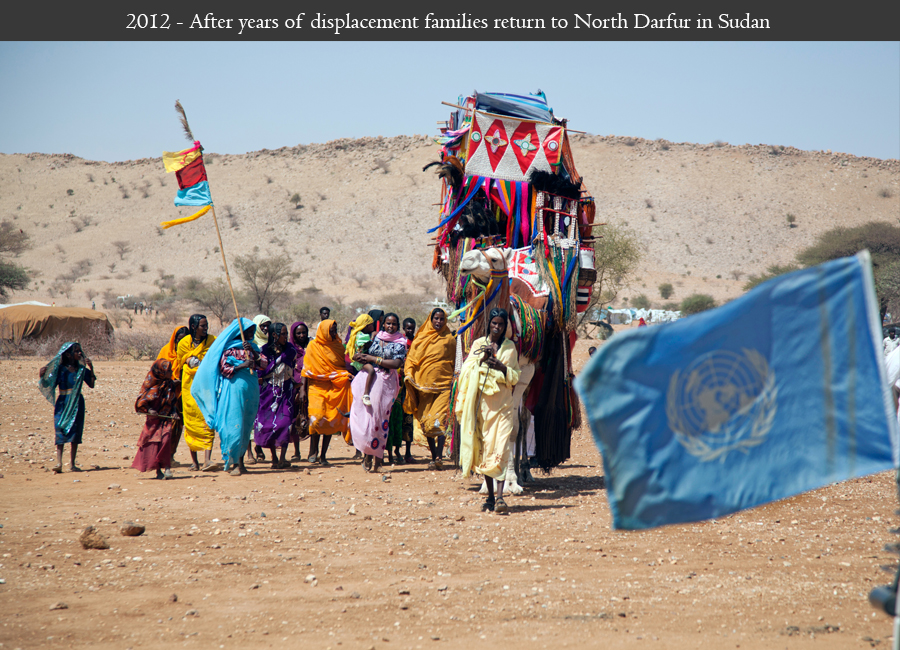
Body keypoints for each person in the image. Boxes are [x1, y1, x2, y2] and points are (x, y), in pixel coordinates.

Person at [454, 308, 521, 514]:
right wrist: (482, 361)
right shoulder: (478, 344)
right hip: (483, 407)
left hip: (502, 406)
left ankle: (501, 497)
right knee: (486, 450)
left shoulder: (510, 348)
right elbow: (467, 370)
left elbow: (515, 377)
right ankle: (490, 497)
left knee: (500, 449)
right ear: (489, 324)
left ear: (505, 326)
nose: (497, 327)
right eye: (494, 323)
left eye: (501, 324)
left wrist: (501, 368)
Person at [192, 317, 263, 476]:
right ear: (240, 333)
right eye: (249, 332)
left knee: (246, 426)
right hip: (232, 391)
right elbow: (224, 369)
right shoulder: (228, 349)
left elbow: (263, 364)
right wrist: (242, 366)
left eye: (253, 331)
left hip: (250, 392)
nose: (252, 334)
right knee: (233, 425)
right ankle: (234, 463)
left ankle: (242, 461)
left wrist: (252, 352)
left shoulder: (253, 348)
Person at [350, 313, 408, 472]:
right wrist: (360, 357)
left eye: (394, 324)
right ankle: (367, 456)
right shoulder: (375, 337)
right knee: (367, 419)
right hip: (370, 380)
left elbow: (396, 363)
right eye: (388, 323)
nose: (390, 326)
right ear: (383, 324)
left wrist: (373, 359)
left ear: (398, 326)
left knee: (381, 421)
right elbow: (361, 353)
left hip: (387, 384)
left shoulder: (400, 342)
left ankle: (378, 463)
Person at [404, 309, 456, 470]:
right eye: (436, 319)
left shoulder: (450, 340)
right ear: (430, 319)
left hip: (444, 386)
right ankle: (434, 457)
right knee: (427, 423)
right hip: (423, 387)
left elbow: (454, 361)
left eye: (441, 319)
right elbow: (412, 359)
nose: (438, 322)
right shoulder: (421, 338)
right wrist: (409, 374)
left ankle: (439, 455)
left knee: (439, 421)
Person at [301, 319, 353, 465]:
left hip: (334, 387)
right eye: (331, 329)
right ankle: (313, 451)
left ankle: (323, 455)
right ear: (323, 330)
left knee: (331, 420)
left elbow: (341, 368)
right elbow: (306, 370)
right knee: (316, 419)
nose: (334, 332)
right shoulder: (313, 346)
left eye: (335, 329)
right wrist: (302, 390)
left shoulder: (338, 346)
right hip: (316, 387)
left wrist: (344, 376)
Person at [39, 342, 96, 473]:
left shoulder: (81, 370)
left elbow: (91, 384)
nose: (80, 353)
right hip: (63, 402)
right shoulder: (60, 370)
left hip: (77, 403)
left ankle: (72, 464)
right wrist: (41, 376)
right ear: (69, 354)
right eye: (77, 351)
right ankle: (58, 463)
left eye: (80, 351)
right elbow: (49, 385)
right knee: (60, 429)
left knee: (75, 432)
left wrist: (91, 368)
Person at [175, 314, 216, 471]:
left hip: (207, 386)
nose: (206, 328)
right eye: (202, 326)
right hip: (189, 386)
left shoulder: (213, 341)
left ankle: (208, 460)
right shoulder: (184, 343)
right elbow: (181, 364)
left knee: (207, 420)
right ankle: (195, 462)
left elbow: (214, 361)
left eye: (206, 325)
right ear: (193, 327)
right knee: (191, 421)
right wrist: (190, 363)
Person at [253, 323, 297, 469]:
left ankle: (283, 457)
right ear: (274, 335)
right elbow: (260, 370)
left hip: (285, 391)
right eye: (283, 334)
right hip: (268, 393)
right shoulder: (264, 351)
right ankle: (274, 457)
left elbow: (293, 362)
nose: (286, 337)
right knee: (269, 425)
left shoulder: (290, 349)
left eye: (286, 334)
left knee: (285, 423)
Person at [131, 359, 179, 479]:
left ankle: (167, 467)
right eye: (168, 370)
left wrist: (174, 412)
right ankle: (158, 470)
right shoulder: (150, 384)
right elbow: (140, 403)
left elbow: (172, 402)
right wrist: (149, 410)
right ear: (161, 371)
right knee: (154, 443)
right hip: (154, 420)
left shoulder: (170, 384)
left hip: (165, 418)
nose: (171, 372)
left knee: (166, 439)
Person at [157, 325, 191, 460]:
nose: (180, 343)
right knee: (165, 426)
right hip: (166, 395)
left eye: (184, 340)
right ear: (174, 339)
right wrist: (171, 383)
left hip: (183, 395)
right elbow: (156, 374)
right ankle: (161, 454)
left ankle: (170, 454)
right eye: (178, 340)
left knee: (178, 426)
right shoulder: (165, 352)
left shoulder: (188, 353)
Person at [386, 317, 417, 464]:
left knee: (408, 420)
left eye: (412, 328)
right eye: (408, 328)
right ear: (403, 328)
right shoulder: (399, 342)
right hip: (397, 384)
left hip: (410, 385)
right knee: (395, 419)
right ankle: (394, 452)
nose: (410, 330)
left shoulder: (417, 343)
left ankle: (408, 452)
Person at [289, 321, 310, 461]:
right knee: (296, 418)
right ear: (293, 335)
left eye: (304, 332)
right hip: (295, 386)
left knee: (311, 417)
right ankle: (297, 451)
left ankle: (313, 451)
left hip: (312, 385)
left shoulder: (312, 346)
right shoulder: (291, 349)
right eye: (298, 333)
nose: (302, 335)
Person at [346, 314, 376, 401]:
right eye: (372, 325)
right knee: (371, 370)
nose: (373, 326)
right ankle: (366, 394)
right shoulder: (362, 336)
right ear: (366, 326)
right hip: (360, 361)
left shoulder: (357, 333)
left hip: (360, 359)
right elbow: (370, 345)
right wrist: (373, 336)